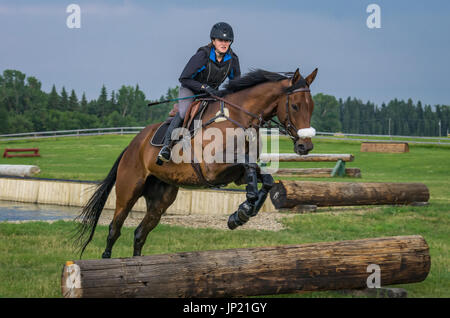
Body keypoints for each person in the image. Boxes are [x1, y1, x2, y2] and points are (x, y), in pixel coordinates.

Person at [157, 22, 241, 163]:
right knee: (184, 113)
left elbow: (236, 83)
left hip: (212, 93)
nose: (224, 43)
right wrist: (204, 88)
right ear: (213, 41)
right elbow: (184, 78)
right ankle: (166, 147)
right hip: (190, 89)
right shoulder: (202, 56)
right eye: (221, 40)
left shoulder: (233, 60)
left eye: (227, 40)